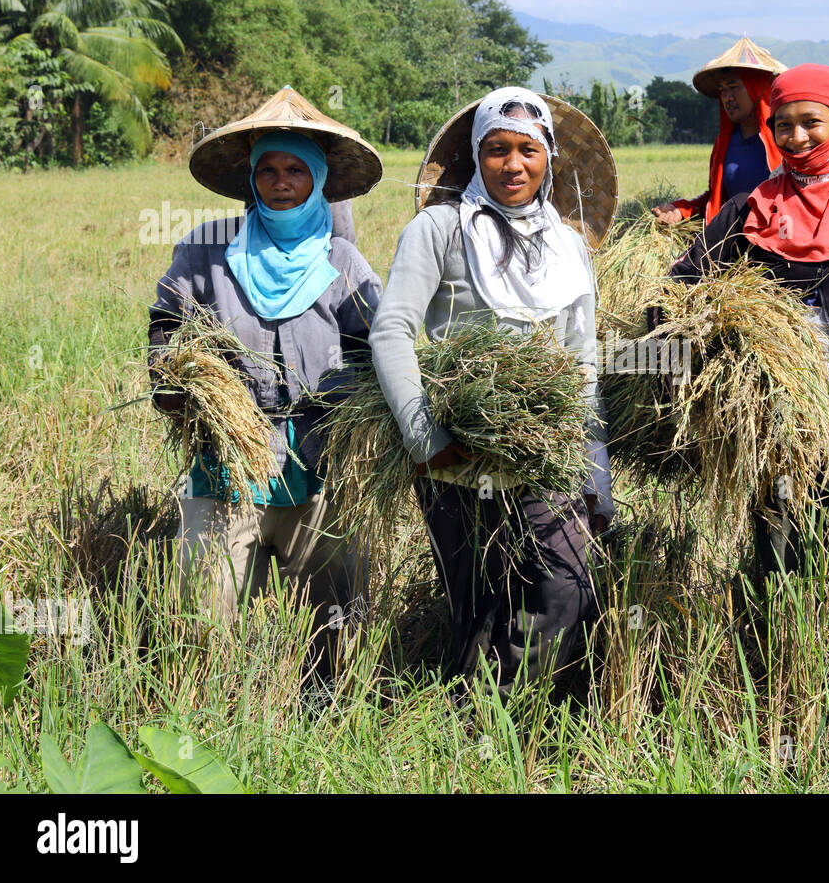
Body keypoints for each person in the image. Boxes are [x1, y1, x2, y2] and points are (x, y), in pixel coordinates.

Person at [370, 87, 614, 697]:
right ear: (476, 158)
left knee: (564, 588)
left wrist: (595, 468)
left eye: (528, 150)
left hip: (550, 450)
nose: (513, 165)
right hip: (461, 452)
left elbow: (583, 356)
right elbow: (392, 329)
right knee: (478, 607)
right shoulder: (440, 228)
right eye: (497, 149)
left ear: (549, 158)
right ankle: (477, 739)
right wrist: (426, 437)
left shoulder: (568, 243)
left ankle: (539, 727)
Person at [149, 87, 384, 678]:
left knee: (333, 608)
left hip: (320, 457)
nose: (281, 181)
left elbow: (378, 347)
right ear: (253, 178)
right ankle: (223, 708)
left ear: (319, 180)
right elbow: (166, 325)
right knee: (208, 610)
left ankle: (324, 704)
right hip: (226, 457)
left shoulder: (343, 262)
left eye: (296, 170)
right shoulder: (206, 250)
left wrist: (363, 421)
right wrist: (175, 381)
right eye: (270, 170)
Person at [666, 63, 829, 576]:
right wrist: (721, 340)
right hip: (780, 420)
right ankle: (789, 653)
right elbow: (679, 286)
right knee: (782, 560)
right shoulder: (752, 208)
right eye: (782, 124)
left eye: (811, 121)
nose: (796, 136)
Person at [651, 37, 786, 225]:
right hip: (732, 240)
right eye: (722, 90)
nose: (727, 98)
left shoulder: (785, 142)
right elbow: (716, 200)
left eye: (733, 88)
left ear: (757, 89)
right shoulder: (725, 143)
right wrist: (681, 210)